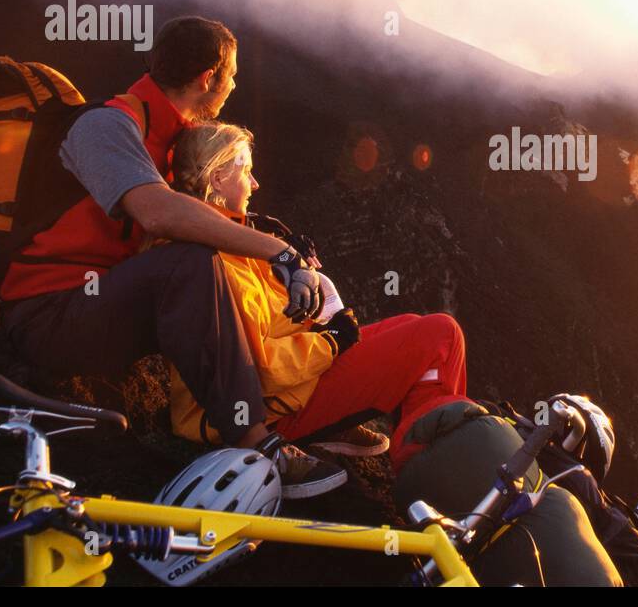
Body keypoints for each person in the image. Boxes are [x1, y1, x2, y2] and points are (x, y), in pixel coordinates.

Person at [0, 16, 343, 497]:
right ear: (209, 78)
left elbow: (194, 216)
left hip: (103, 307)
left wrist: (282, 253)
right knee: (190, 261)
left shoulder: (168, 140)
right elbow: (157, 213)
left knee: (201, 259)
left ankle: (268, 406)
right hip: (48, 315)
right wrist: (279, 252)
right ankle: (253, 440)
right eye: (233, 76)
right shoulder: (108, 125)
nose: (235, 86)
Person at [165, 121, 469, 472]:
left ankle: (423, 453)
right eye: (246, 171)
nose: (255, 183)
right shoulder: (217, 259)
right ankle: (431, 467)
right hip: (270, 413)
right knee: (441, 334)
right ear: (218, 179)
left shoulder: (225, 240)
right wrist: (332, 342)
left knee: (412, 324)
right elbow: (259, 369)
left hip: (280, 393)